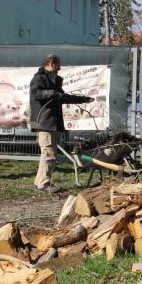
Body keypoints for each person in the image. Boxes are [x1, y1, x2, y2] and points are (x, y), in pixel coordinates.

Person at [29, 54, 92, 193]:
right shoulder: (39, 78)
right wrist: (52, 93)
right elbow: (36, 94)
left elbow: (62, 97)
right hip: (43, 122)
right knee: (48, 153)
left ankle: (40, 182)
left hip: (51, 122)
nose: (60, 68)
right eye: (58, 65)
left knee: (50, 152)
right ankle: (43, 185)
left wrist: (83, 100)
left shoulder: (54, 80)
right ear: (51, 63)